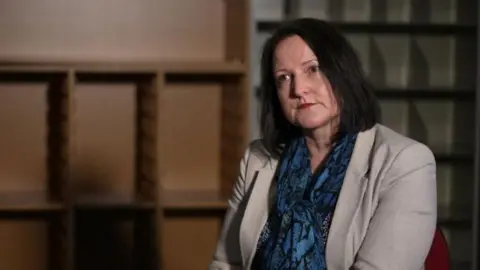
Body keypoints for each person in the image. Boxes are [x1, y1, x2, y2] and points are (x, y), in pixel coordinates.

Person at [210, 18, 437, 270]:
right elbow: (226, 263)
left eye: (312, 69)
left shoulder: (406, 162)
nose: (298, 89)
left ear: (342, 72)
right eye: (284, 77)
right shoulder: (257, 157)